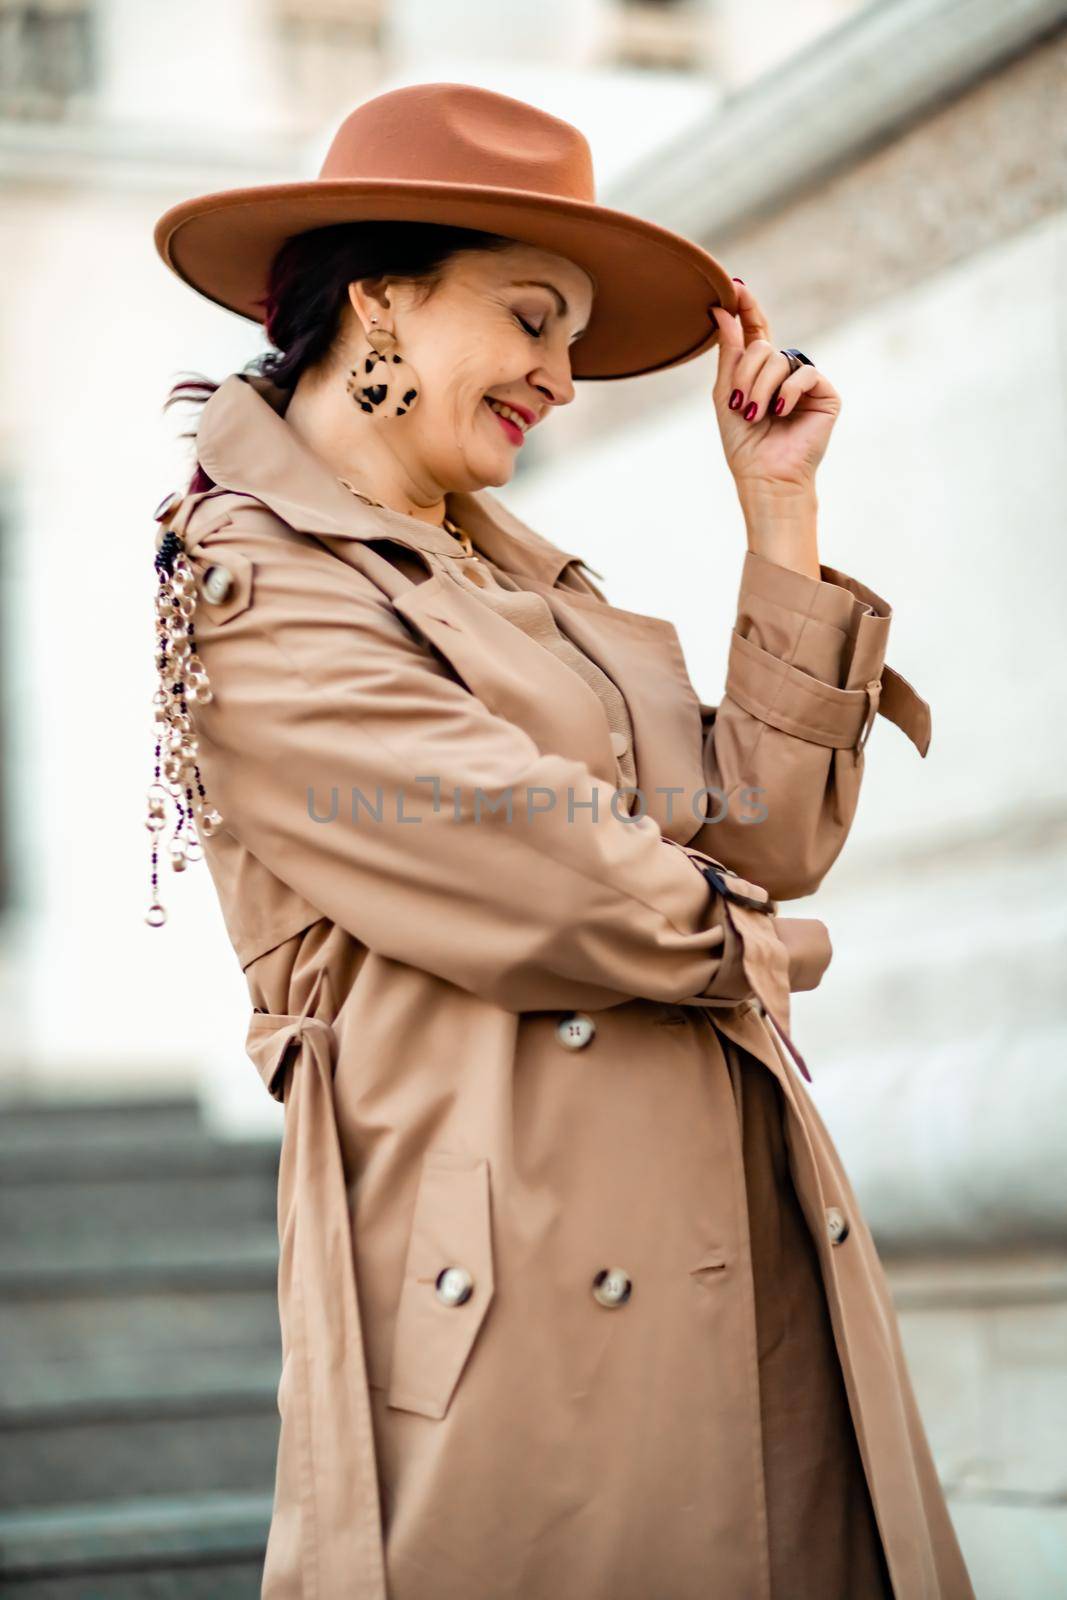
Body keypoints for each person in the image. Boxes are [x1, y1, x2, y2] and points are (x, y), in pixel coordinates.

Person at [148, 81, 973, 1600]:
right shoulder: (252, 580)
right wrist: (769, 953)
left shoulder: (527, 582)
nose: (562, 378)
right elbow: (565, 887)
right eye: (533, 319)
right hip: (521, 1304)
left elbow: (767, 834)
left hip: (738, 1232)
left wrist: (776, 518)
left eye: (575, 341)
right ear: (382, 298)